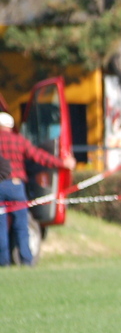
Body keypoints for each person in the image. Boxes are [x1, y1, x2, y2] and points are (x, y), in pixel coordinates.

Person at [0, 111, 76, 266]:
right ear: (10, 126)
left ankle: (3, 262)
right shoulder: (18, 140)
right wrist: (63, 163)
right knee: (21, 225)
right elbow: (39, 156)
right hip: (16, 186)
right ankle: (27, 261)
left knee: (0, 226)